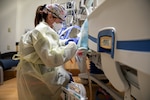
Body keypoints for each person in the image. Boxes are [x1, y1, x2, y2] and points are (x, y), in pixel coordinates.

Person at [15, 3, 78, 100]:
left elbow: (51, 44)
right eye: (60, 21)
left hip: (32, 71)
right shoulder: (41, 31)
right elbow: (52, 59)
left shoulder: (44, 30)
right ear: (50, 17)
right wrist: (72, 46)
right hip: (33, 74)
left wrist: (66, 42)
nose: (61, 24)